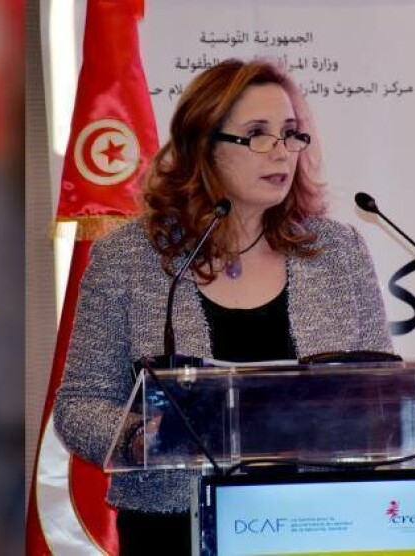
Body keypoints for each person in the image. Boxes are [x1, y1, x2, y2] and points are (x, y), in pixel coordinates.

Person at [54, 58, 394, 555]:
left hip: (316, 521)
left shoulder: (337, 251)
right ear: (203, 146)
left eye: (290, 134)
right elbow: (79, 405)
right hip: (173, 529)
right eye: (257, 134)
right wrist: (139, 437)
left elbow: (382, 392)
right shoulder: (127, 258)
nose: (281, 151)